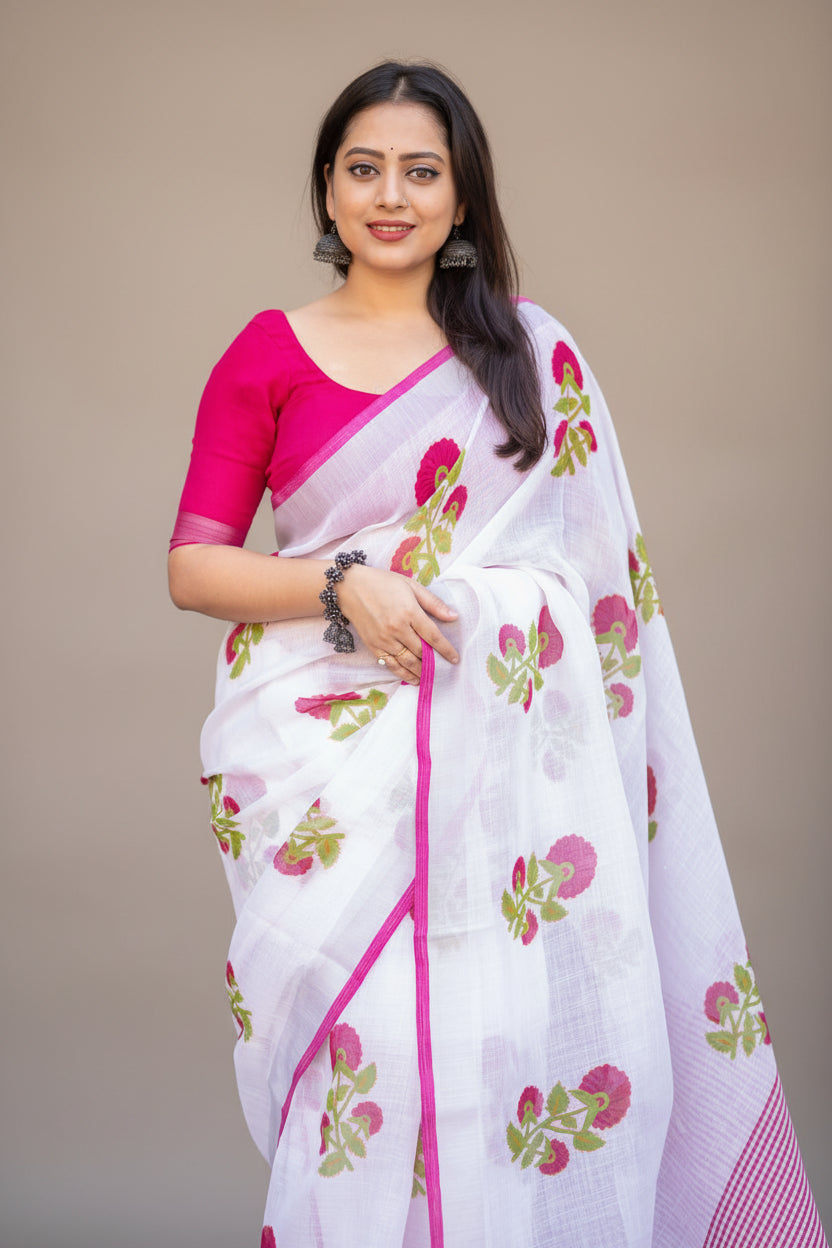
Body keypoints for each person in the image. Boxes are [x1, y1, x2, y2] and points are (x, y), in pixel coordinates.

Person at [168, 61, 825, 1248]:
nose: (391, 195)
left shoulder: (528, 358)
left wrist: (476, 606)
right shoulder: (265, 354)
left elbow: (592, 586)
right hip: (331, 771)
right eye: (363, 169)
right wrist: (342, 586)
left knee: (504, 1044)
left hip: (506, 784)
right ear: (326, 189)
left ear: (461, 199)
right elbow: (195, 568)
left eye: (422, 172)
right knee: (363, 1061)